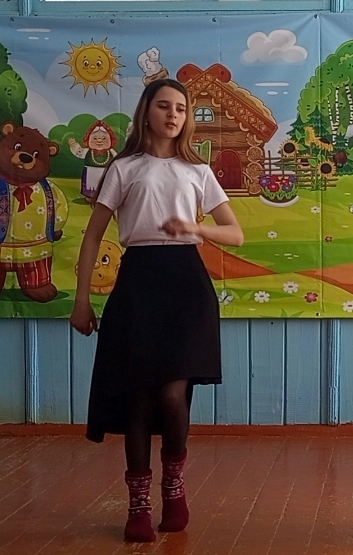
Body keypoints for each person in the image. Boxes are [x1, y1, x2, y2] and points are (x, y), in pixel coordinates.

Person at [70, 79, 244, 543]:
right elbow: (93, 236)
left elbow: (235, 233)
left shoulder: (198, 170)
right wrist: (82, 299)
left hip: (187, 285)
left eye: (182, 109)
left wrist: (196, 228)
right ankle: (139, 503)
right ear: (146, 111)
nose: (174, 115)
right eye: (165, 106)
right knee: (140, 396)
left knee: (172, 393)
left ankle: (174, 486)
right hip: (138, 282)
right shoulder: (123, 168)